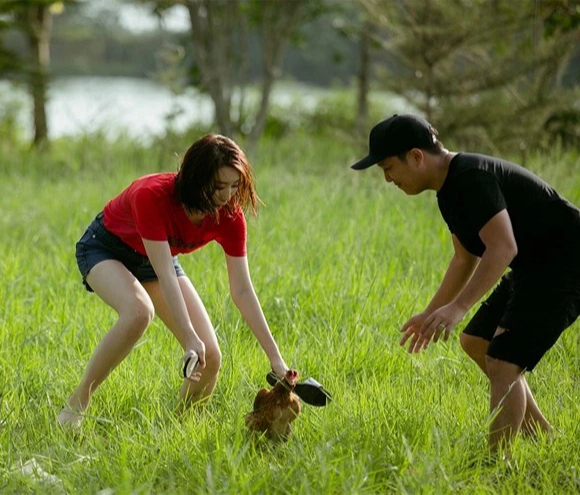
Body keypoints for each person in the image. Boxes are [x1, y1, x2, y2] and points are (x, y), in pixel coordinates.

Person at [351, 114, 580, 453]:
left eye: (388, 168)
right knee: (476, 341)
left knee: (503, 361)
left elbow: (503, 247)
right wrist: (431, 313)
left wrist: (459, 306)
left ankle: (495, 467)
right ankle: (543, 437)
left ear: (416, 156)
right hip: (537, 267)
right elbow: (464, 257)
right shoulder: (448, 189)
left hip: (566, 265)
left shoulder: (471, 179)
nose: (387, 179)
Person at [58, 134, 289, 427]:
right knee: (139, 312)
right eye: (219, 186)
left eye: (235, 185)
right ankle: (77, 403)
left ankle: (178, 427)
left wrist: (275, 358)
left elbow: (242, 289)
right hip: (105, 248)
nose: (228, 196)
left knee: (211, 357)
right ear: (196, 178)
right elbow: (165, 272)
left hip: (157, 258)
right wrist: (188, 335)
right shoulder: (152, 195)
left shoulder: (229, 216)